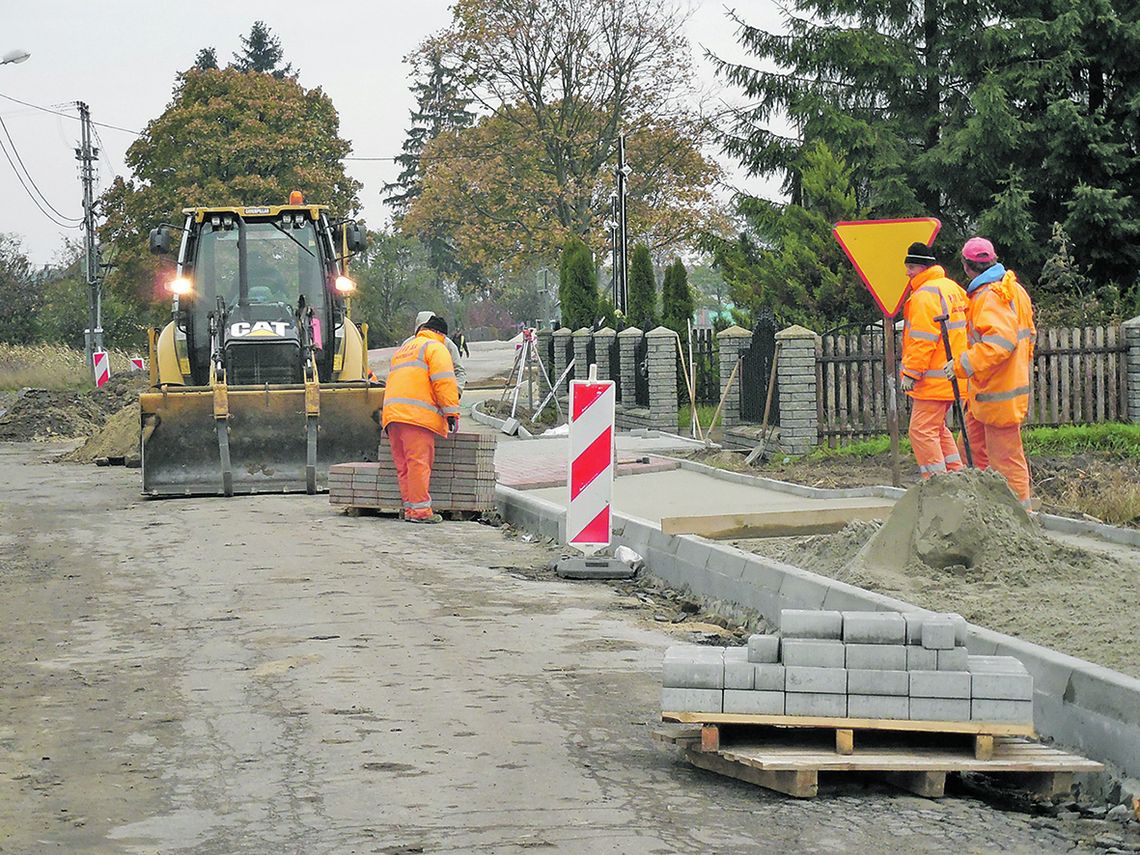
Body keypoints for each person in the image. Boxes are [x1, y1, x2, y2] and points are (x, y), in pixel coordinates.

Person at [943, 237, 1036, 506]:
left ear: (967, 266)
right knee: (970, 453)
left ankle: (1020, 520)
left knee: (1006, 461)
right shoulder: (1013, 290)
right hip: (987, 392)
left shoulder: (989, 296)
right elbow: (1027, 336)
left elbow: (1000, 344)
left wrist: (962, 364)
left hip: (998, 395)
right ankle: (982, 509)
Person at [381, 314, 461, 524]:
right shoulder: (436, 348)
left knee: (404, 466)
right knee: (418, 464)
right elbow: (443, 382)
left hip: (392, 416)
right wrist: (451, 413)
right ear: (441, 334)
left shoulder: (404, 349)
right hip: (415, 418)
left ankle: (410, 508)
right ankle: (420, 512)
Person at [899, 242, 969, 478]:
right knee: (937, 428)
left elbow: (923, 341)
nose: (907, 272)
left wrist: (910, 373)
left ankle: (937, 482)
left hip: (933, 380)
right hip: (953, 376)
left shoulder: (924, 296)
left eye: (911, 266)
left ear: (923, 267)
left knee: (921, 430)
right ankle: (956, 475)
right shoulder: (953, 288)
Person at [407, 311, 467, 395]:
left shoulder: (448, 345)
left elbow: (459, 371)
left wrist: (457, 391)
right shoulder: (408, 344)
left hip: (440, 395)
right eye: (424, 328)